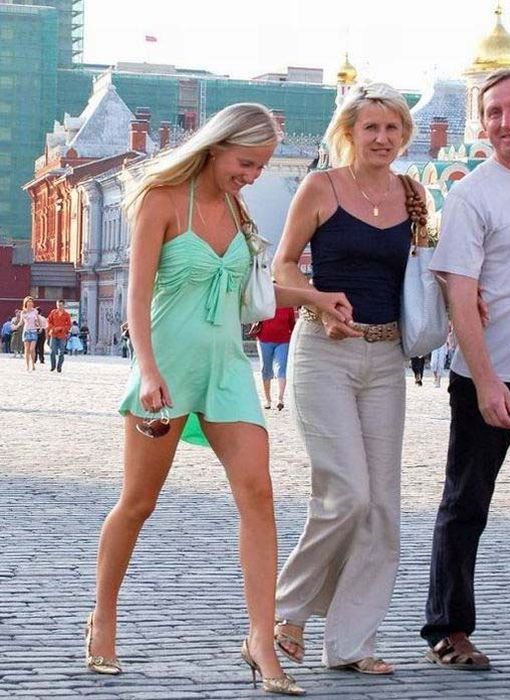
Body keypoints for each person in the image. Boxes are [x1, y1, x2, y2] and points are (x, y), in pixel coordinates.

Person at [87, 102, 352, 695]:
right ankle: (102, 616)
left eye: (260, 167)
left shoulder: (238, 209)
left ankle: (261, 638)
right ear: (216, 147)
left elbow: (250, 289)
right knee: (138, 502)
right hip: (168, 367)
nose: (251, 176)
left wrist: (314, 296)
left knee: (259, 494)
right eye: (245, 163)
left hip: (228, 368)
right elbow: (137, 296)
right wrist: (147, 369)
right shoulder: (161, 200)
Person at [272, 83, 431, 674]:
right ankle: (286, 611)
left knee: (381, 508)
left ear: (404, 135)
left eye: (392, 128)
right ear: (350, 133)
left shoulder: (413, 193)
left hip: (387, 359)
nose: (382, 138)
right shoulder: (322, 187)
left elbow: (423, 269)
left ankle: (350, 643)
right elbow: (282, 266)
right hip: (324, 353)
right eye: (371, 128)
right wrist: (317, 300)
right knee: (346, 494)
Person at [421, 69, 510, 670]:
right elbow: (460, 294)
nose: (506, 122)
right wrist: (486, 379)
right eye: (494, 112)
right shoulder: (473, 193)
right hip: (490, 376)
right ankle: (448, 628)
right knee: (466, 504)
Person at [256, 307, 296, 410]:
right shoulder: (264, 302)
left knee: (282, 368)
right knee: (266, 369)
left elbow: (292, 324)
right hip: (264, 340)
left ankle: (280, 399)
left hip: (283, 341)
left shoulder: (288, 306)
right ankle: (268, 400)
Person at [13, 296, 40, 371]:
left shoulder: (35, 311)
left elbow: (37, 320)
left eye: (31, 302)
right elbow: (21, 322)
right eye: (29, 302)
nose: (30, 303)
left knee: (32, 349)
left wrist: (39, 325)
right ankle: (27, 365)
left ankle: (33, 364)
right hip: (26, 331)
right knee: (27, 349)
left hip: (33, 331)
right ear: (26, 303)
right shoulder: (23, 312)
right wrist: (16, 327)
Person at [47, 299, 72, 373]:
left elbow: (69, 325)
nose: (59, 307)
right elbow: (49, 322)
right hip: (53, 334)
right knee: (52, 351)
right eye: (58, 305)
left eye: (60, 305)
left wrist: (62, 328)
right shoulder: (53, 312)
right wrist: (53, 328)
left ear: (64, 305)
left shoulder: (66, 314)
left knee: (61, 352)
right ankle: (53, 366)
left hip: (62, 335)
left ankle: (59, 367)